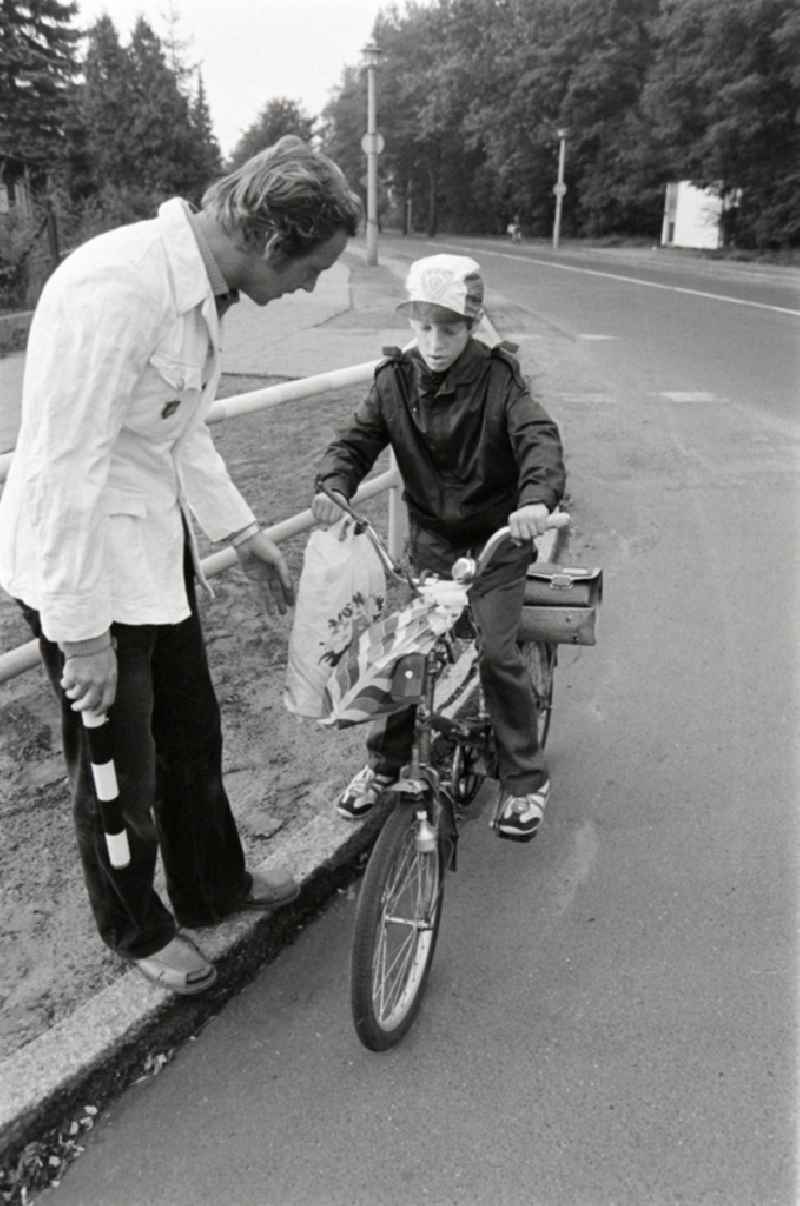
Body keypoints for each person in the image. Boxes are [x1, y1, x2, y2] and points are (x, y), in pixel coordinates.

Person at [0, 136, 361, 994]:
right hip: (83, 575)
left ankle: (211, 887)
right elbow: (61, 467)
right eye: (313, 268)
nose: (309, 287)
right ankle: (137, 928)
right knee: (119, 773)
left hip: (154, 558)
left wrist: (242, 535)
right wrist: (80, 634)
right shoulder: (115, 289)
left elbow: (179, 427)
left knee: (192, 737)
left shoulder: (198, 290)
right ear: (274, 241)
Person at [312, 254, 565, 842]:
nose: (434, 341)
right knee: (407, 651)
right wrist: (335, 484)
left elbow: (537, 438)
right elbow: (357, 438)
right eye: (423, 326)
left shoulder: (500, 380)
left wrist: (535, 500)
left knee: (498, 654)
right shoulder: (394, 381)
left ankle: (526, 780)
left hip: (498, 541)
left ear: (472, 326)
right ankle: (384, 766)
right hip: (431, 540)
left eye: (449, 328)